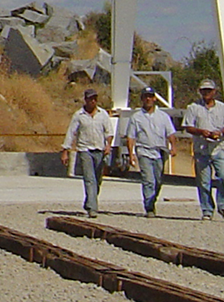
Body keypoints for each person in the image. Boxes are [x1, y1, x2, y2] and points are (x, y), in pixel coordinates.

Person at [182, 79, 224, 220]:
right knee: (204, 182)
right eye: (204, 90)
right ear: (200, 92)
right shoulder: (193, 108)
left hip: (219, 148)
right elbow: (188, 126)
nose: (206, 93)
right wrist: (201, 132)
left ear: (214, 92)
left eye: (209, 90)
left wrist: (220, 132)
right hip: (202, 149)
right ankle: (207, 210)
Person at [120, 87, 177, 216]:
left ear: (154, 98)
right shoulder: (136, 117)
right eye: (145, 96)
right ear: (142, 99)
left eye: (150, 96)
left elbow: (170, 133)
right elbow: (131, 136)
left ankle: (152, 200)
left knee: (158, 180)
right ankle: (149, 208)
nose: (148, 99)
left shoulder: (163, 116)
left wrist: (173, 146)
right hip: (144, 151)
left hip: (160, 151)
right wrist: (131, 154)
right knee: (148, 180)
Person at [60, 87, 115, 218]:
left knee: (97, 179)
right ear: (86, 100)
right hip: (85, 150)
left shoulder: (103, 114)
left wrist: (108, 146)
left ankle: (89, 202)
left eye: (95, 99)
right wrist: (65, 151)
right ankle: (92, 208)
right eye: (90, 99)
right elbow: (71, 133)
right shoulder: (78, 115)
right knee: (89, 179)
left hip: (99, 150)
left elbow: (109, 132)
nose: (92, 101)